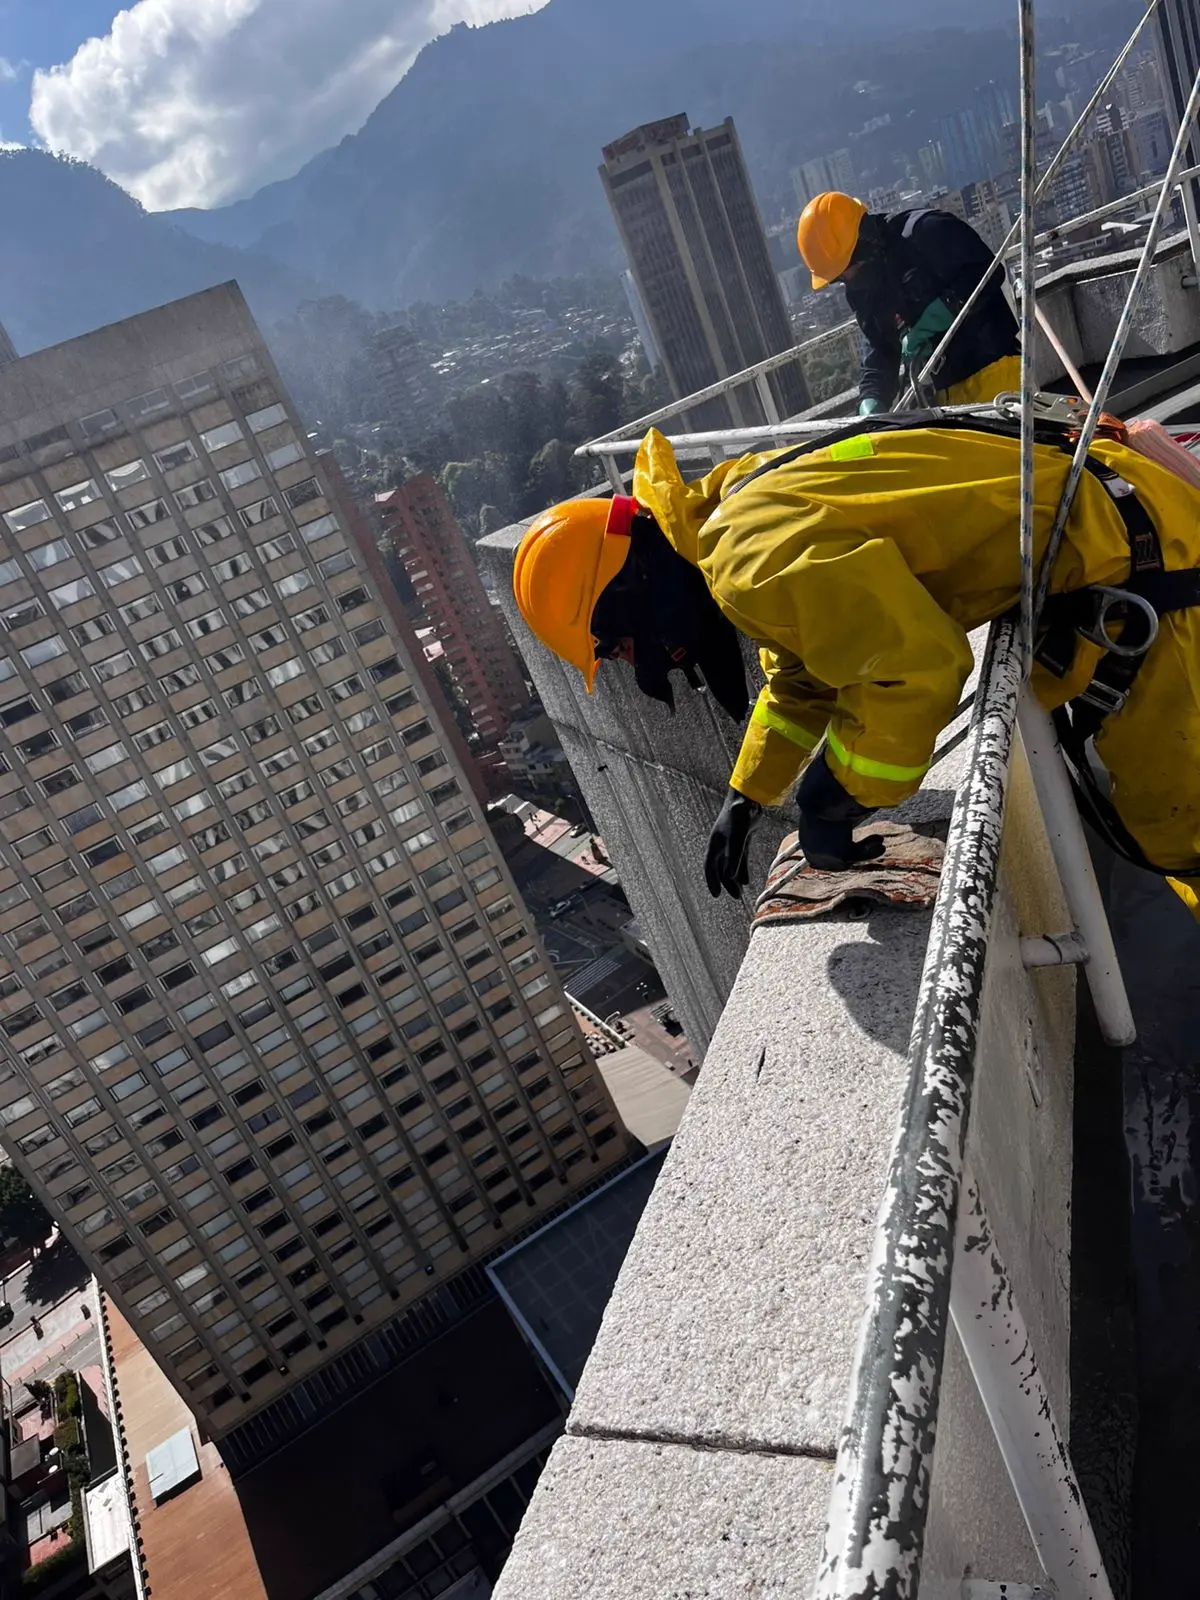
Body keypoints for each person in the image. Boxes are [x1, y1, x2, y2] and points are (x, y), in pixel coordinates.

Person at [512, 420, 1200, 906]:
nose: (639, 661)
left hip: (1146, 561)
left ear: (628, 596)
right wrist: (747, 797)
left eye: (617, 644)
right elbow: (803, 676)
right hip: (1120, 524)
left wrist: (834, 795)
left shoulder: (749, 560)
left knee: (1181, 830)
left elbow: (916, 668)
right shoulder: (732, 518)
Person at [797, 192, 1021, 414]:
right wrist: (871, 398)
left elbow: (987, 272)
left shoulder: (927, 232)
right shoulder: (862, 287)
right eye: (837, 278)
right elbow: (880, 349)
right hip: (947, 396)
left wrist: (942, 311)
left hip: (998, 371)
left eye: (844, 270)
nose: (846, 279)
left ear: (863, 242)